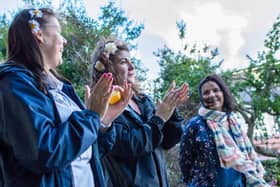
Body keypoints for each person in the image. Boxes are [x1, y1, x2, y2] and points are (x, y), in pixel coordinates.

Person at [0, 8, 132, 187]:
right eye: (59, 33)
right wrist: (91, 115)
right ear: (39, 34)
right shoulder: (13, 84)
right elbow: (44, 152)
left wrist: (103, 121)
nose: (64, 40)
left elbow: (86, 153)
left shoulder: (63, 89)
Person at [91, 36, 189, 187]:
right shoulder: (104, 105)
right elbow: (130, 145)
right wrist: (159, 118)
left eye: (132, 61)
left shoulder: (143, 100)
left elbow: (168, 141)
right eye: (123, 62)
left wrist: (170, 109)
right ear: (108, 67)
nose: (131, 67)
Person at [179, 74, 269, 187]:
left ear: (223, 93)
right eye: (206, 93)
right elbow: (185, 162)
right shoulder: (195, 125)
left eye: (216, 90)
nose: (212, 95)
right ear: (202, 97)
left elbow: (246, 156)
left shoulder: (234, 121)